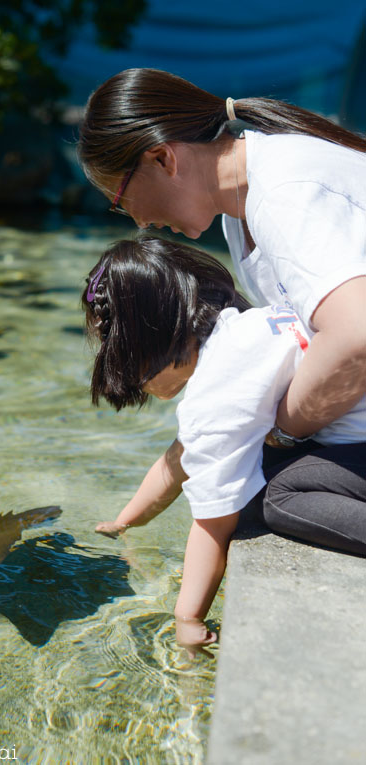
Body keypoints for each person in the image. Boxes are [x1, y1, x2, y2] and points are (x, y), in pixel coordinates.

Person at [77, 67, 366, 552]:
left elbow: (356, 336)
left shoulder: (282, 195)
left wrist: (281, 433)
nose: (141, 222)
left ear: (162, 158)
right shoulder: (246, 203)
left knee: (272, 495)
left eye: (122, 201)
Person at [82, 237, 366, 652]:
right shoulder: (240, 331)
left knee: (275, 497)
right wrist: (126, 522)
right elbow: (181, 459)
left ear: (147, 342)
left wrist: (187, 617)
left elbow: (213, 525)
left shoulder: (216, 393)